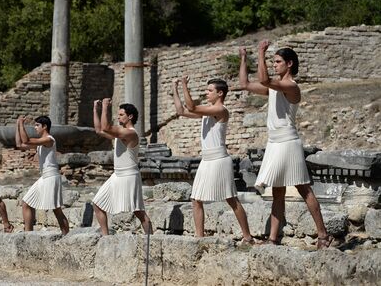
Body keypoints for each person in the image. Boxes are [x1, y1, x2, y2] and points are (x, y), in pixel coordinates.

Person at [239, 40, 332, 249]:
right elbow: (245, 84)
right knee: (277, 192)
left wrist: (261, 52)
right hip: (274, 143)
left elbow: (263, 78)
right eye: (273, 62)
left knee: (303, 189)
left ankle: (323, 235)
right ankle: (273, 239)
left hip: (288, 142)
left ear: (289, 64)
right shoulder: (274, 88)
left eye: (278, 61)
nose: (274, 65)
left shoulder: (290, 86)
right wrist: (244, 58)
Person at [172, 76, 257, 244]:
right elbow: (181, 111)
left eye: (210, 90)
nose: (206, 93)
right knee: (196, 199)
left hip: (219, 159)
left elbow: (191, 106)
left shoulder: (221, 110)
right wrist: (175, 88)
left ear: (220, 93)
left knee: (231, 199)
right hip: (206, 160)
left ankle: (248, 237)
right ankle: (199, 237)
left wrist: (184, 85)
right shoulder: (207, 111)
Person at [91, 98, 152, 235]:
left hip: (129, 175)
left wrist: (106, 107)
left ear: (130, 116)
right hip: (117, 175)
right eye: (117, 115)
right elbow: (99, 130)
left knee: (138, 212)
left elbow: (106, 127)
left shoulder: (130, 133)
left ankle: (150, 240)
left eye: (121, 115)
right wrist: (96, 109)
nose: (118, 117)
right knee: (97, 204)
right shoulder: (120, 133)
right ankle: (106, 238)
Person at [15, 115, 69, 235]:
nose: (35, 128)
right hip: (44, 177)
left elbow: (26, 141)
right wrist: (18, 125)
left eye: (37, 125)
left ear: (44, 126)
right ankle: (28, 235)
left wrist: (22, 125)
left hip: (51, 176)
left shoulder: (49, 140)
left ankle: (66, 236)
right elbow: (20, 144)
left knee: (56, 209)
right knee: (26, 203)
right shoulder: (41, 143)